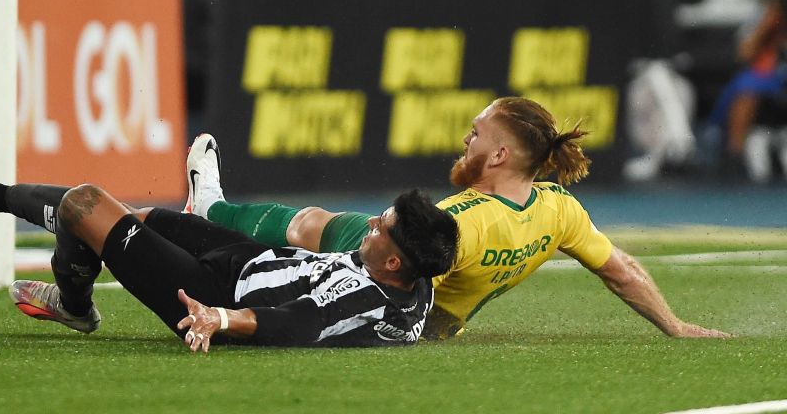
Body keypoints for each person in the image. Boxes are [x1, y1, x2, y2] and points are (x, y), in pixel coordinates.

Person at [186, 97, 731, 340]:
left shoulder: (458, 222)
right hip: (433, 315)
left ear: (497, 157)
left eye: (475, 134)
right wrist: (675, 327)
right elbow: (621, 270)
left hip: (388, 270)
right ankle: (209, 208)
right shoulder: (560, 210)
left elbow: (387, 292)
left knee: (308, 233)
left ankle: (207, 214)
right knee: (313, 224)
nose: (465, 140)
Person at [0, 147, 460, 351]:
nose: (368, 228)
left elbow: (297, 323)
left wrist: (221, 318)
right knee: (136, 220)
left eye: (377, 229)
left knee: (85, 207)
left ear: (392, 262)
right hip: (248, 261)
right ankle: (76, 307)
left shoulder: (365, 298)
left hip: (208, 293)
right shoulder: (413, 274)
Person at [704, 0, 787, 178]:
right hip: (769, 77)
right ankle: (735, 156)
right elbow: (744, 53)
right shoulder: (764, 15)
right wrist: (769, 23)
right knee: (745, 88)